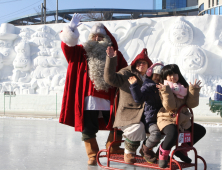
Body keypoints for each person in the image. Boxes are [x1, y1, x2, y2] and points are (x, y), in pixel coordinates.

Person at [59, 13, 128, 165]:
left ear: (107, 39)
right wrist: (70, 30)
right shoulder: (80, 52)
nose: (97, 39)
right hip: (88, 98)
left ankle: (113, 147)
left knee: (120, 122)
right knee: (87, 127)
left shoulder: (116, 55)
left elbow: (125, 72)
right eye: (94, 36)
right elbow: (67, 48)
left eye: (100, 37)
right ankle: (92, 155)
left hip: (110, 98)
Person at [104, 48, 154, 164]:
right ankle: (129, 152)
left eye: (144, 63)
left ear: (148, 66)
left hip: (146, 114)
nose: (141, 65)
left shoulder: (150, 78)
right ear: (134, 64)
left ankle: (146, 149)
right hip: (128, 114)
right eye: (139, 62)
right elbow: (109, 78)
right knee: (138, 126)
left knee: (161, 128)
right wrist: (111, 60)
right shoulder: (126, 73)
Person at [156, 64, 206, 168]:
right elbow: (170, 106)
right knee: (172, 133)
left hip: (182, 119)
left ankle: (182, 150)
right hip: (167, 118)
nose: (172, 77)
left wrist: (194, 91)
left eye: (174, 74)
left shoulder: (183, 88)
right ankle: (162, 154)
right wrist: (166, 91)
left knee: (200, 130)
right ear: (165, 77)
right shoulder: (164, 88)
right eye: (169, 75)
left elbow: (192, 104)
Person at [128, 62, 164, 163]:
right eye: (156, 74)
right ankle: (145, 150)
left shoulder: (162, 87)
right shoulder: (148, 86)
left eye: (160, 76)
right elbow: (138, 98)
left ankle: (157, 152)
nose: (157, 77)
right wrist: (134, 86)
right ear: (150, 74)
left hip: (161, 119)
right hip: (150, 119)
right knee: (156, 134)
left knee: (167, 133)